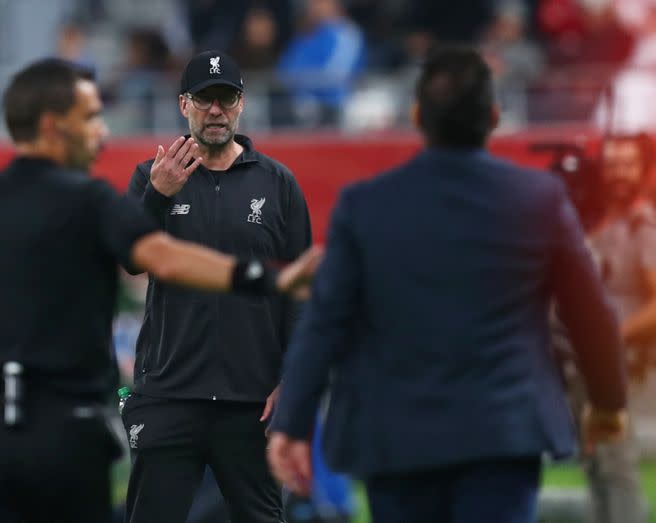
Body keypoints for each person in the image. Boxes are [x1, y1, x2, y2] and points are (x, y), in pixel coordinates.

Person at [0, 57, 319, 523]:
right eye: (91, 118)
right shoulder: (113, 193)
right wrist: (252, 270)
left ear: (241, 104)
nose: (101, 132)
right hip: (116, 410)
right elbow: (147, 259)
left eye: (227, 99)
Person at [267, 46, 628, 523]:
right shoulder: (538, 199)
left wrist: (291, 423)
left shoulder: (364, 206)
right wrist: (608, 403)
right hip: (502, 433)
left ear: (417, 116)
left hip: (395, 438)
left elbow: (324, 323)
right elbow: (591, 314)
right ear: (494, 116)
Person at [124, 50, 312, 523]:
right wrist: (157, 198)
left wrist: (292, 379)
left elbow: (301, 291)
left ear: (241, 103)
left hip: (251, 402)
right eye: (205, 99)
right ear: (183, 103)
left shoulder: (277, 183)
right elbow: (127, 259)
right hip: (169, 392)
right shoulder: (152, 176)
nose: (215, 110)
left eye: (225, 99)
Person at [567, 133, 655, 523]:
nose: (619, 172)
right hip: (589, 366)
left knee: (617, 469)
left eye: (628, 163)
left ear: (643, 169)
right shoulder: (602, 222)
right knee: (597, 468)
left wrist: (609, 339)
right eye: (613, 163)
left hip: (621, 365)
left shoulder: (644, 225)